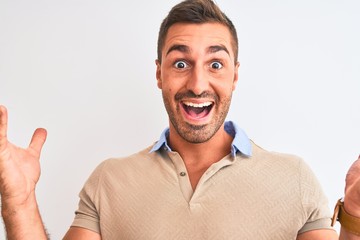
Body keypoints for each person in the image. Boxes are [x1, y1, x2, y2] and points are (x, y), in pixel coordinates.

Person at [0, 0, 359, 239]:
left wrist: (355, 216)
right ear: (159, 74)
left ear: (235, 76)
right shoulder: (108, 181)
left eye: (215, 64)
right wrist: (19, 201)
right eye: (181, 63)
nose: (198, 83)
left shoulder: (294, 179)